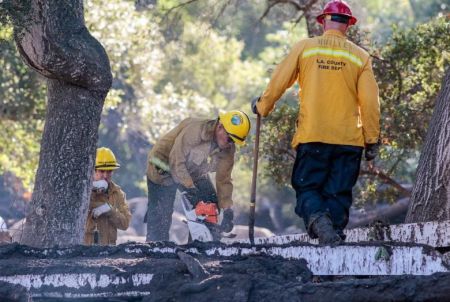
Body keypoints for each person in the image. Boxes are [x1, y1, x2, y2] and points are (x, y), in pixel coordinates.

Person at [252, 0, 380, 244]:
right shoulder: (360, 57)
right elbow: (371, 103)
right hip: (348, 141)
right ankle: (332, 242)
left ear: (323, 22)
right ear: (348, 26)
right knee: (338, 195)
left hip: (314, 136)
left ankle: (319, 222)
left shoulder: (305, 48)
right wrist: (372, 139)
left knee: (308, 187)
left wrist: (262, 107)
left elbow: (279, 81)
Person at [145, 110, 251, 242]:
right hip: (162, 165)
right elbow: (176, 163)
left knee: (210, 201)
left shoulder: (228, 148)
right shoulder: (195, 131)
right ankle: (155, 249)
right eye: (230, 139)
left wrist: (227, 209)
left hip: (192, 170)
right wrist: (191, 189)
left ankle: (200, 244)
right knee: (162, 213)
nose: (231, 144)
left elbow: (224, 179)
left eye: (235, 142)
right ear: (220, 127)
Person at [84, 147, 131, 245]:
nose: (105, 175)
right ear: (93, 170)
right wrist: (91, 189)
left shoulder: (117, 192)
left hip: (109, 252)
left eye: (109, 171)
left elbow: (125, 224)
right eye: (101, 171)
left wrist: (110, 211)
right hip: (86, 252)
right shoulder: (83, 191)